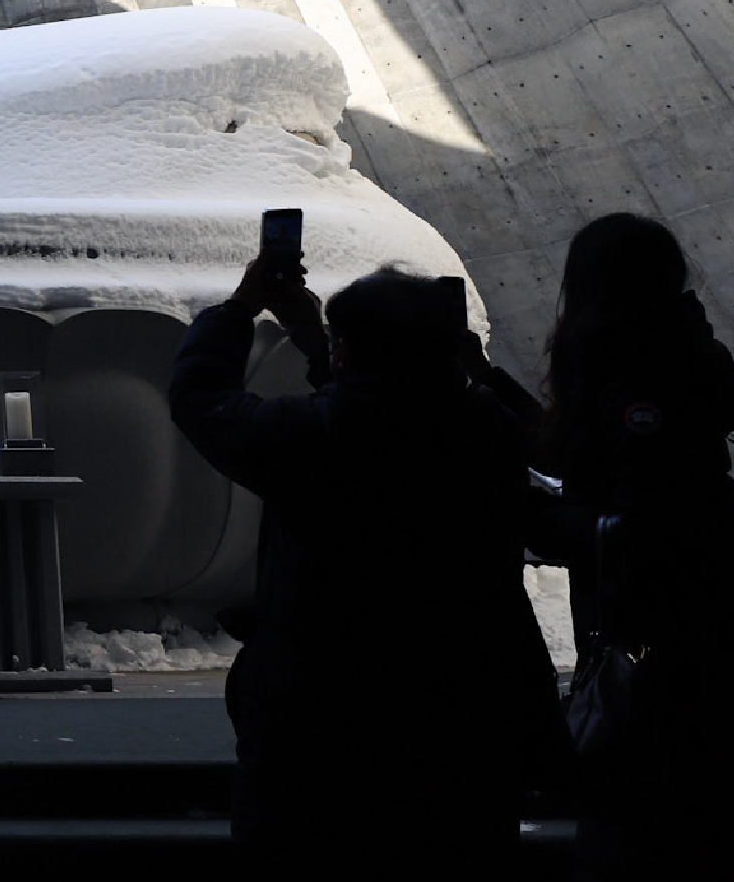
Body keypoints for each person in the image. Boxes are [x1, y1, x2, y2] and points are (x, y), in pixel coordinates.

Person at [169, 256, 554, 872]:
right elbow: (401, 410)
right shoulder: (489, 432)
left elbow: (201, 397)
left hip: (317, 728)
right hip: (463, 720)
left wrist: (241, 308)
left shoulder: (307, 435)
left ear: (347, 353)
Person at [520, 212, 734, 877]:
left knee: (634, 823)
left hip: (651, 646)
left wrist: (530, 516)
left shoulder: (644, 379)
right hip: (678, 638)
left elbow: (638, 528)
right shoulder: (662, 359)